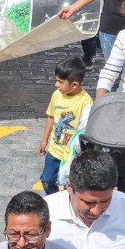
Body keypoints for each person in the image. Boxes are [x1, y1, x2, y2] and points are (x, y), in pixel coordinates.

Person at [39, 56, 92, 194]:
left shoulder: (86, 102)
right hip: (54, 151)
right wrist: (44, 140)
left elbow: (85, 130)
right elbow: (51, 117)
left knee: (72, 186)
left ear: (74, 84)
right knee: (47, 180)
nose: (56, 85)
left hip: (72, 156)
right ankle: (53, 200)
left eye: (60, 82)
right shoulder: (57, 95)